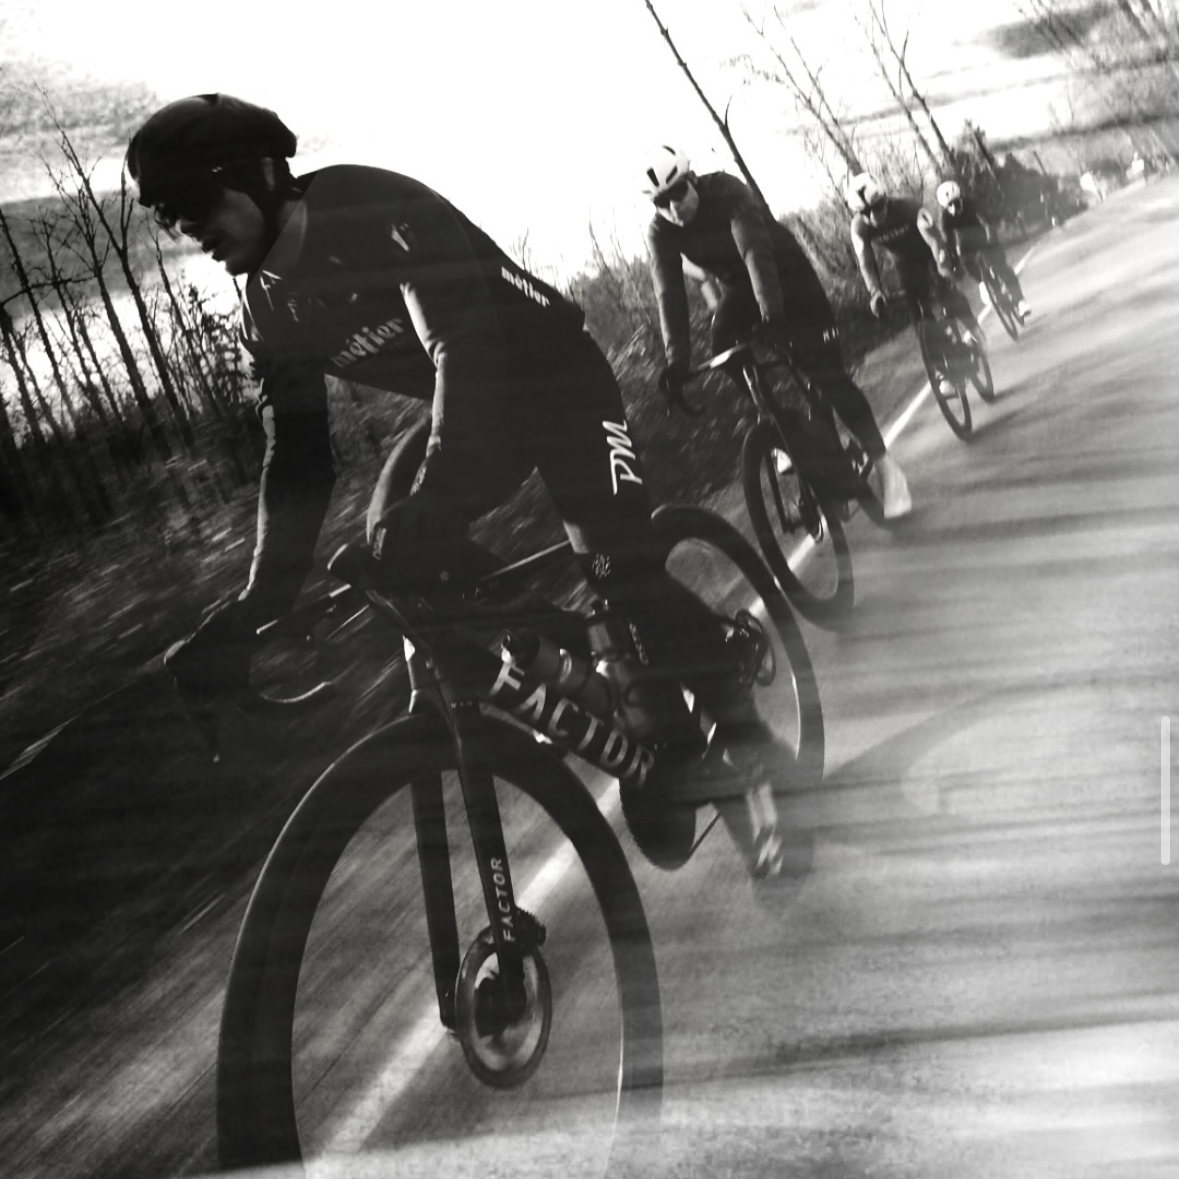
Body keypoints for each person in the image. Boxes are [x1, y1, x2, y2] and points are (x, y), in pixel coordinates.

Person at [127, 95, 773, 821]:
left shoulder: (370, 206)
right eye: (172, 219)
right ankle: (583, 652)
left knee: (618, 567)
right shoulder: (270, 307)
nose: (188, 229)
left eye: (193, 203)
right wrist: (252, 609)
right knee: (388, 549)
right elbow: (299, 458)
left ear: (260, 174)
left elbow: (461, 345)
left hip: (557, 380)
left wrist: (437, 490)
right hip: (474, 413)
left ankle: (748, 734)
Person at [642, 147, 911, 521]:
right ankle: (784, 431)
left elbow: (753, 250)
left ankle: (887, 468)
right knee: (722, 343)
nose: (672, 209)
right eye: (660, 203)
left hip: (787, 276)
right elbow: (668, 293)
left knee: (829, 379)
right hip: (739, 290)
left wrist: (772, 314)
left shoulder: (726, 191)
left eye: (677, 195)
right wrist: (676, 361)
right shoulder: (660, 231)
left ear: (693, 180)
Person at [845, 171, 984, 400]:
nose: (873, 215)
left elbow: (934, 239)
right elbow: (866, 262)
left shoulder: (907, 207)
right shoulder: (859, 228)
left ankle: (973, 328)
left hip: (928, 254)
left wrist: (943, 267)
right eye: (866, 212)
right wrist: (875, 292)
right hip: (905, 266)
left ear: (885, 200)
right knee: (919, 321)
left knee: (945, 292)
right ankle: (944, 373)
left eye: (877, 207)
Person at [934, 180, 1031, 321]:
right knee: (970, 266)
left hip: (985, 239)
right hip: (965, 246)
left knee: (1002, 268)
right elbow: (948, 240)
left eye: (956, 202)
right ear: (944, 205)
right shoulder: (945, 218)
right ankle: (985, 285)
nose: (953, 207)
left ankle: (1021, 301)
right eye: (949, 205)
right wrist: (953, 261)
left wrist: (991, 237)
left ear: (960, 197)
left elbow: (986, 221)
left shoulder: (971, 203)